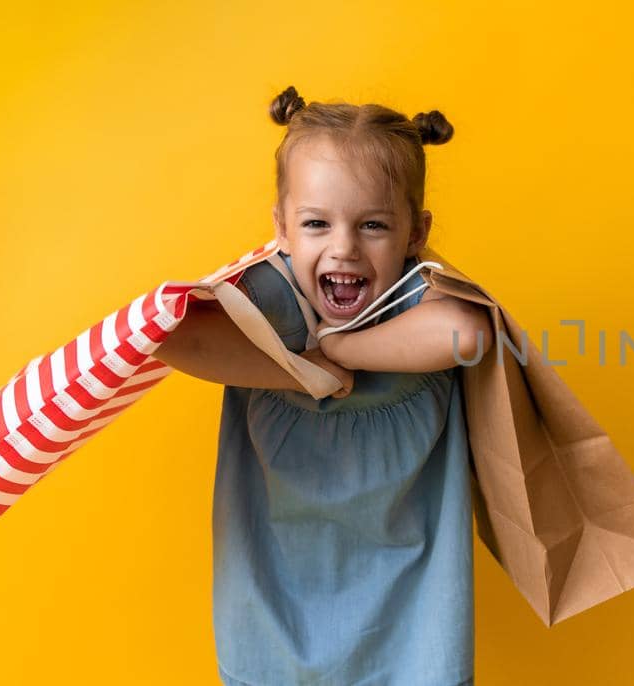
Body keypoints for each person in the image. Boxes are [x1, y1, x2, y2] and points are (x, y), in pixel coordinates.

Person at [151, 85, 489, 686]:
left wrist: (339, 349)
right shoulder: (278, 296)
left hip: (412, 612)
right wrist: (299, 371)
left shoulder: (410, 295)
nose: (344, 247)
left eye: (374, 224)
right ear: (282, 228)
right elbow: (172, 336)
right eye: (316, 223)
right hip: (275, 606)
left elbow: (466, 334)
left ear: (415, 233)